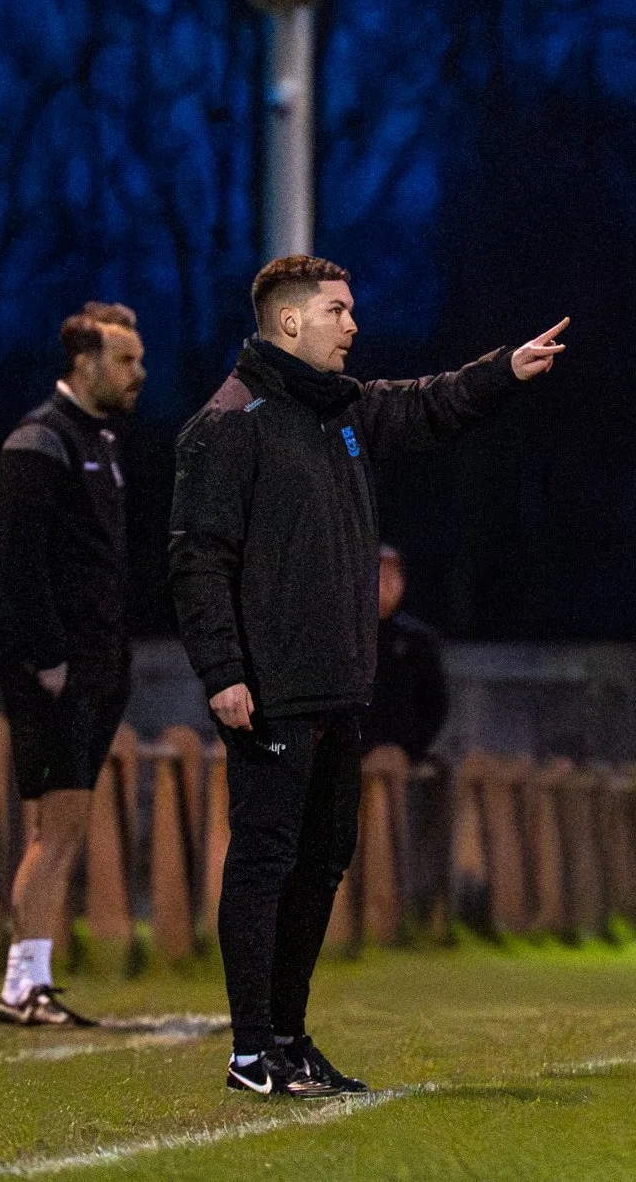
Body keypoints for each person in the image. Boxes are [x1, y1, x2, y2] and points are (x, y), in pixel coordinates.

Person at [170, 254, 566, 1096]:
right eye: (339, 311)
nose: (354, 325)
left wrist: (505, 370)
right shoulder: (231, 421)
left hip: (338, 688)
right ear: (288, 322)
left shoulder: (341, 411)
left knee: (321, 864)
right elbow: (197, 559)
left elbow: (428, 405)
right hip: (269, 691)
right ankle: (249, 1054)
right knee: (265, 860)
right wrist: (223, 670)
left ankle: (287, 1035)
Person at [0, 302, 145, 1026]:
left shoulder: (103, 440)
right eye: (125, 359)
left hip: (96, 660)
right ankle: (21, 986)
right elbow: (19, 564)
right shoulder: (39, 440)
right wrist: (48, 656)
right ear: (84, 363)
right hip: (58, 666)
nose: (137, 372)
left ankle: (32, 980)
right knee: (54, 830)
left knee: (67, 826)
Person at [365, 545, 449, 763]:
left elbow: (435, 703)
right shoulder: (348, 638)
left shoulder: (417, 640)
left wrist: (411, 749)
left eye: (394, 576)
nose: (387, 585)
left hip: (400, 756)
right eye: (380, 576)